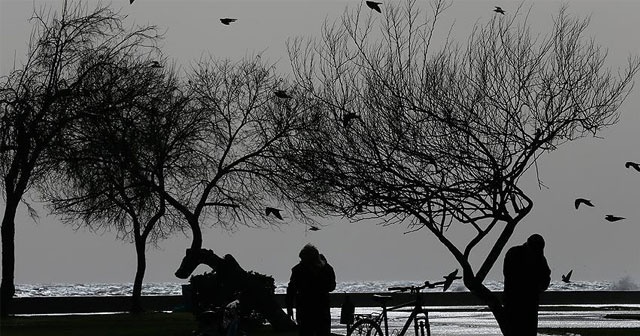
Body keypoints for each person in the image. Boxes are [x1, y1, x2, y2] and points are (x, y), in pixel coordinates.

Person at [503, 233, 551, 336]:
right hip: (516, 302)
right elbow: (509, 275)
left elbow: (545, 279)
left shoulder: (539, 258)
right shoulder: (515, 253)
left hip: (526, 302)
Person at [286, 244, 336, 336]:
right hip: (321, 306)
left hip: (305, 307)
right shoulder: (327, 269)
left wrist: (289, 307)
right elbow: (332, 287)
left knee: (306, 331)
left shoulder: (298, 269)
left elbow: (291, 289)